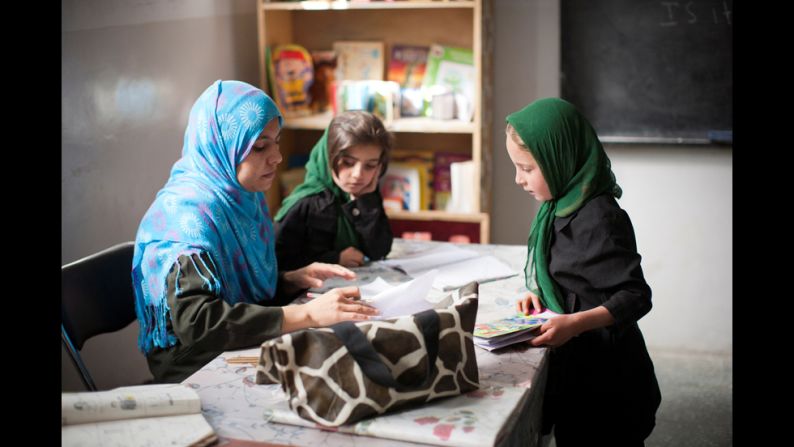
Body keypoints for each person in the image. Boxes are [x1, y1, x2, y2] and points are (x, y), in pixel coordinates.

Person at [132, 80, 379, 383]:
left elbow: (230, 287)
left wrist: (288, 281)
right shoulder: (186, 219)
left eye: (276, 141)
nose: (276, 156)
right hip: (193, 363)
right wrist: (307, 314)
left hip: (232, 343)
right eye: (260, 146)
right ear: (221, 146)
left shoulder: (242, 198)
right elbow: (197, 322)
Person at [504, 98, 662, 446]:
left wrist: (574, 323)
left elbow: (636, 297)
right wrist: (541, 294)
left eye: (527, 168)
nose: (518, 179)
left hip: (608, 380)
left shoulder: (600, 218)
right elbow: (565, 271)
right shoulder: (557, 205)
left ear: (561, 158)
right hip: (576, 368)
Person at [274, 111, 394, 270]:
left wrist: (366, 201)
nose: (358, 174)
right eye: (348, 162)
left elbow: (380, 251)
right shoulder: (306, 203)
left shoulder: (365, 194)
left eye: (370, 165)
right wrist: (334, 259)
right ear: (328, 157)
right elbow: (277, 265)